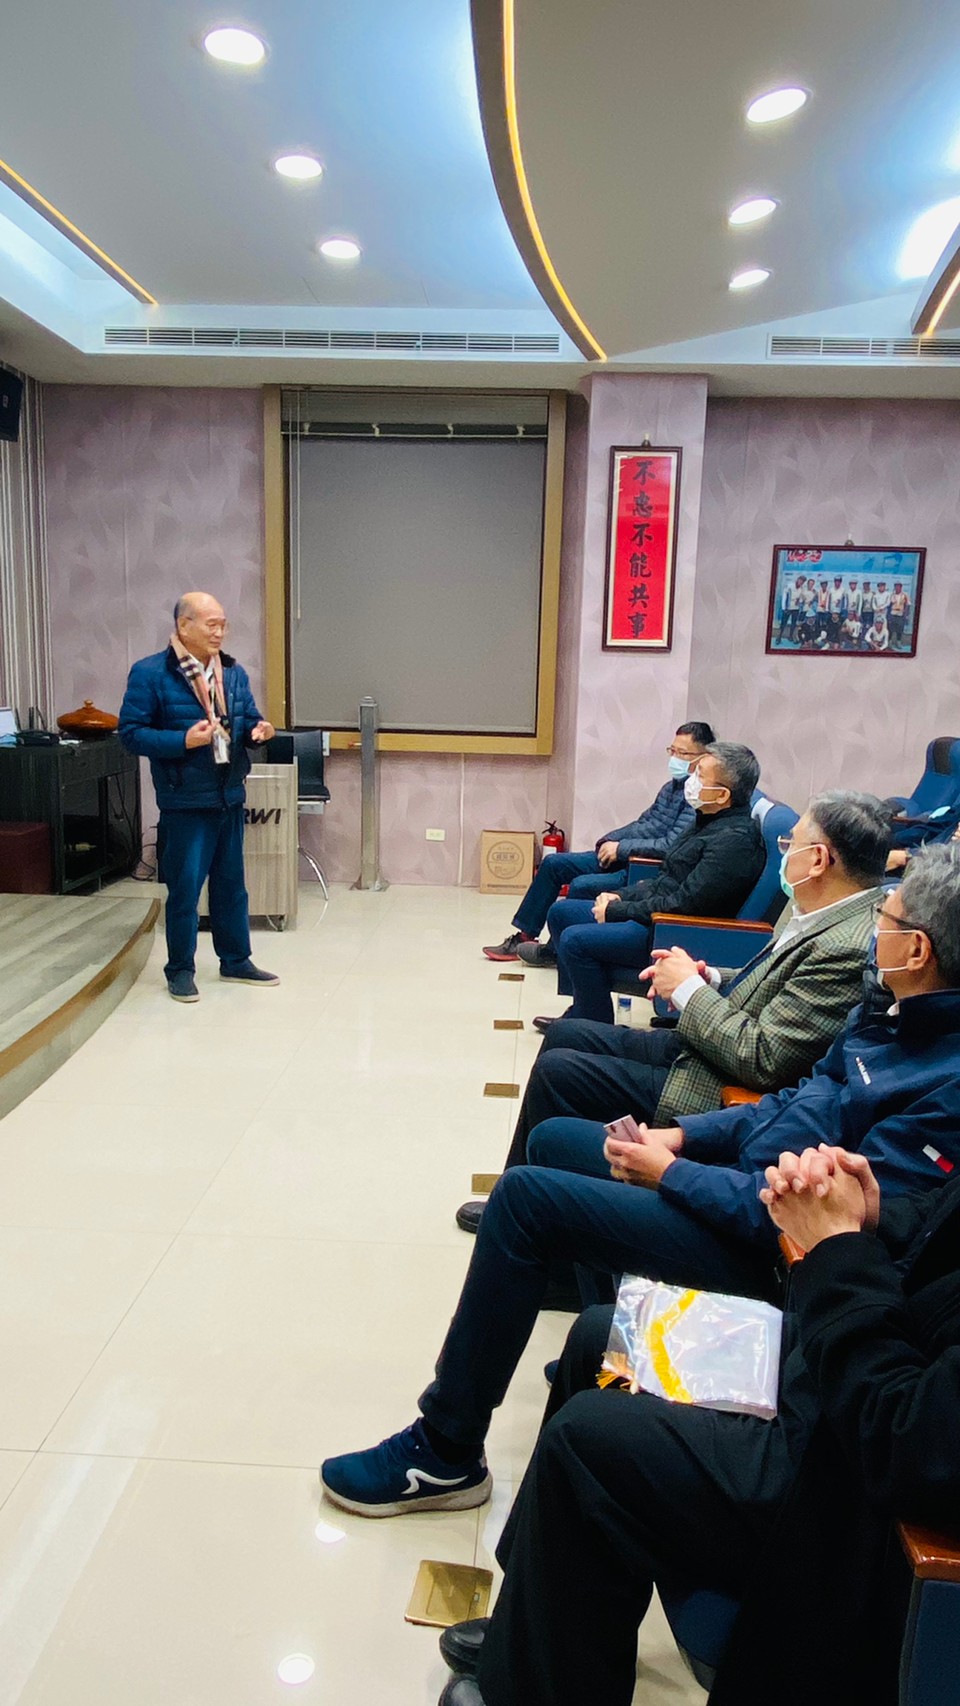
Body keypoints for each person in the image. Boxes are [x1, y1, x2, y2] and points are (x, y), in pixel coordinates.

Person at [319, 847, 960, 1522]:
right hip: (732, 1178)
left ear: (917, 949)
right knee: (554, 1140)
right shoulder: (886, 1018)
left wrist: (673, 1174)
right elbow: (788, 1105)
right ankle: (572, 1306)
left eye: (886, 919)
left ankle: (444, 1448)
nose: (874, 930)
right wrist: (681, 1138)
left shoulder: (944, 1084)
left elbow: (821, 1220)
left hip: (773, 1251)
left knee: (526, 1199)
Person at [437, 1145, 960, 1706]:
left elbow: (907, 1439)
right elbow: (942, 1222)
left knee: (587, 1444)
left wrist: (838, 1248)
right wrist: (868, 1214)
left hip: (852, 1486)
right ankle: (528, 1636)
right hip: (852, 1365)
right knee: (604, 1341)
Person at [483, 792, 888, 1195]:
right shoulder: (823, 912)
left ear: (817, 859)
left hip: (716, 1083)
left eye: (789, 843)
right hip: (707, 1047)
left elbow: (763, 1059)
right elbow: (774, 984)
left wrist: (689, 991)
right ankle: (528, 1188)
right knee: (565, 1034)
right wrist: (709, 976)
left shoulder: (845, 946)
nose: (783, 853)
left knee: (558, 1072)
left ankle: (528, 1195)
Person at [118, 592, 279, 1003]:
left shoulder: (232, 672)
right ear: (183, 625)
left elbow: (248, 718)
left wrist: (260, 731)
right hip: (185, 799)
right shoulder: (150, 673)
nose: (220, 632)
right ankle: (180, 970)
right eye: (211, 624)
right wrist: (183, 740)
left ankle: (236, 960)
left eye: (223, 624)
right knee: (185, 889)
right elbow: (131, 734)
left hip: (229, 794)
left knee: (232, 886)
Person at [536, 744, 765, 1025]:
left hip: (672, 933)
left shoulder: (733, 842)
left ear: (722, 795)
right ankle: (585, 1008)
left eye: (700, 775)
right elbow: (665, 879)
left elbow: (685, 904)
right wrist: (619, 896)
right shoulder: (707, 820)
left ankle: (591, 1025)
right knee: (561, 913)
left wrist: (619, 911)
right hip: (658, 916)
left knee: (575, 940)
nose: (691, 780)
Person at [481, 723, 715, 965]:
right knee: (553, 864)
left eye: (682, 753)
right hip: (625, 855)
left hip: (643, 867)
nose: (674, 758)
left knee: (581, 884)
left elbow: (671, 844)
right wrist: (611, 839)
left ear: (703, 757)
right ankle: (525, 935)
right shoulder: (672, 787)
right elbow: (644, 823)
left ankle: (556, 950)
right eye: (672, 751)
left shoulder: (697, 797)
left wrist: (621, 848)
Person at [888, 581, 910, 649]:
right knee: (890, 629)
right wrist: (889, 615)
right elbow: (889, 605)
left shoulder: (905, 595)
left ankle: (898, 642)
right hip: (893, 613)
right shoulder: (892, 595)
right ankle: (890, 642)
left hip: (900, 614)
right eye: (896, 586)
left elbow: (908, 605)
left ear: (901, 587)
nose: (897, 588)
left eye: (898, 586)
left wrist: (906, 614)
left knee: (900, 630)